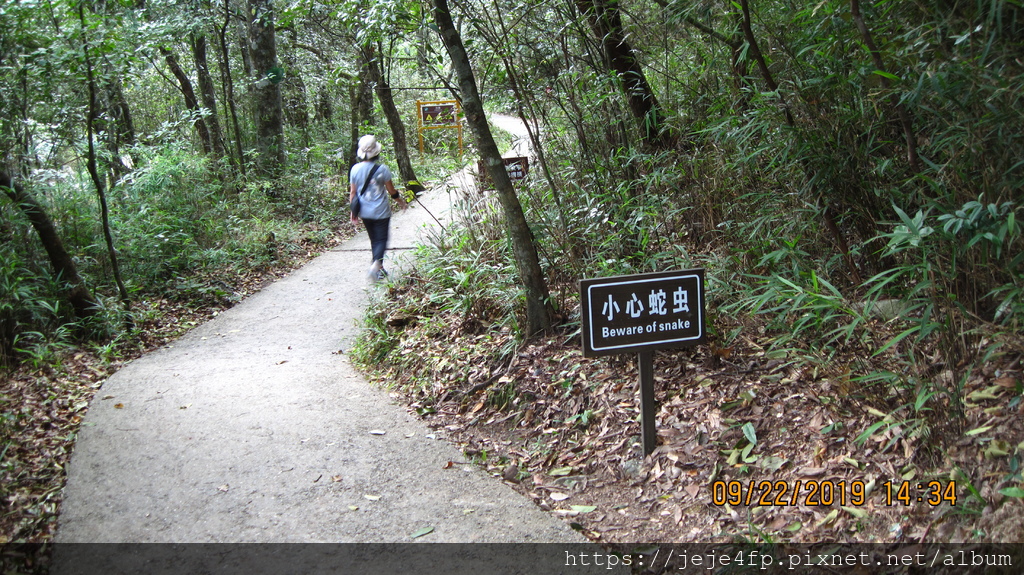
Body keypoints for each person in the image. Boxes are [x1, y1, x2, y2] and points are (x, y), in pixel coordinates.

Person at [349, 135, 407, 281]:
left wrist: (353, 212)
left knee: (374, 239)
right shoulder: (383, 169)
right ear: (376, 152)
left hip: (364, 211)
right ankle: (375, 266)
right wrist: (401, 202)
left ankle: (380, 268)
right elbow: (391, 190)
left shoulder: (355, 169)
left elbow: (353, 192)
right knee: (381, 240)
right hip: (381, 211)